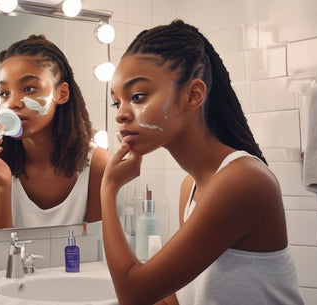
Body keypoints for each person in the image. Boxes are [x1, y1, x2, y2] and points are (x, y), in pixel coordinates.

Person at [100, 20, 304, 305]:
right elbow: (178, 297)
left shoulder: (243, 181)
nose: (121, 114)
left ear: (193, 95)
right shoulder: (192, 187)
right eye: (116, 102)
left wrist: (108, 189)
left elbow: (134, 294)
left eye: (137, 96)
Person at [0, 35, 110, 229]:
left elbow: (96, 248)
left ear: (61, 94)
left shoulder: (98, 165)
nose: (12, 103)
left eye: (29, 88)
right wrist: (2, 187)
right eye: (4, 93)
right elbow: (0, 251)